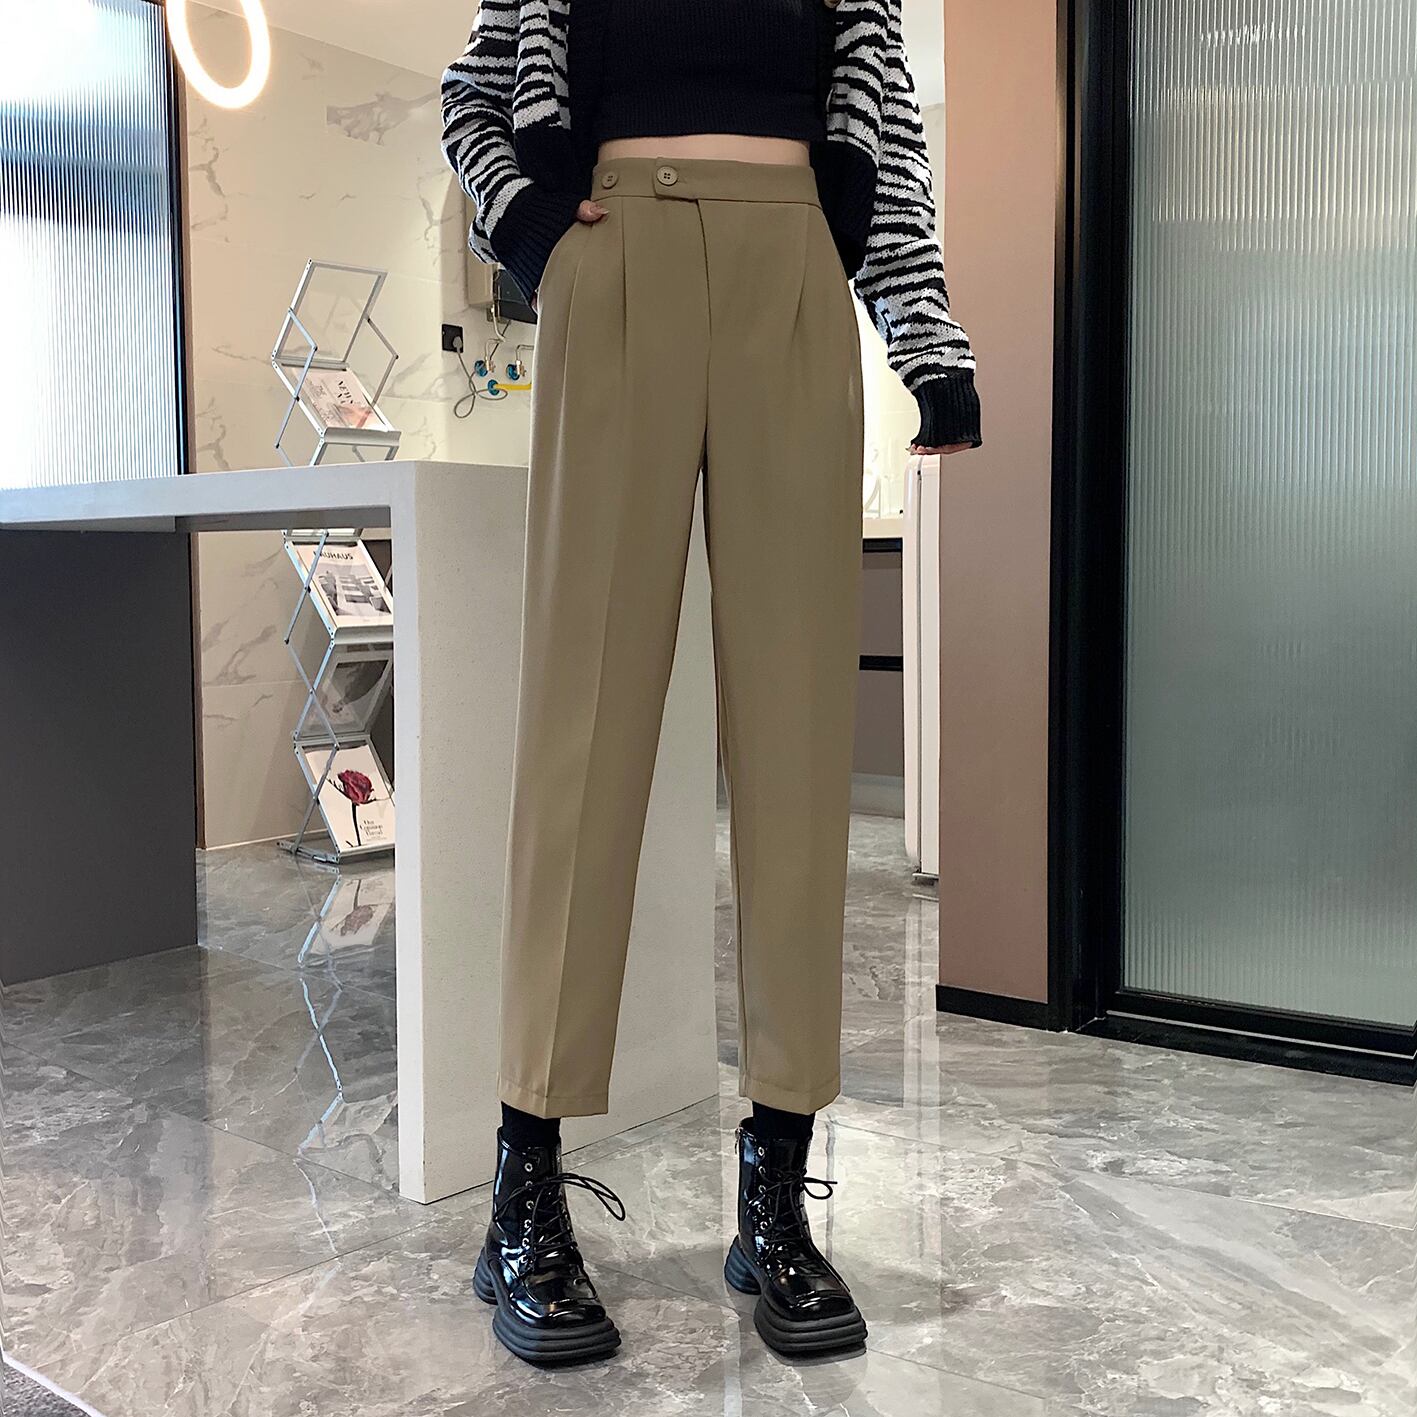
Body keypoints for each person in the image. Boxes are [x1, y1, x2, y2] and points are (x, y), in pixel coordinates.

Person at [441, 0, 979, 1366]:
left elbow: (888, 134)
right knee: (582, 728)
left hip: (792, 264)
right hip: (610, 252)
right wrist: (530, 226)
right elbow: (472, 92)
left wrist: (926, 341)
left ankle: (777, 1188)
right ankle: (522, 1186)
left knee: (796, 742)